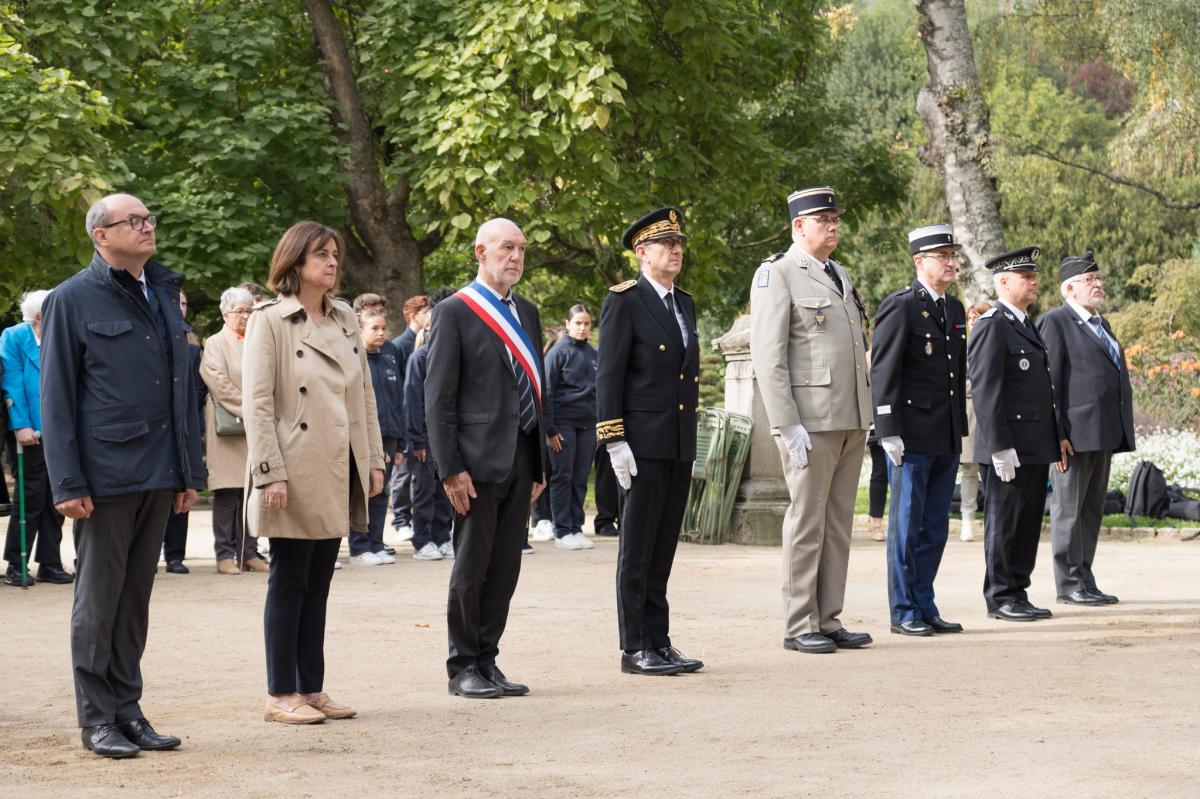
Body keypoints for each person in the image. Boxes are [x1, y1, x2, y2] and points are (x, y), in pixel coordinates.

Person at [41, 192, 205, 757]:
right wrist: (67, 482)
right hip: (104, 476)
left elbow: (181, 390)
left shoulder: (161, 293)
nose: (146, 226)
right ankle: (96, 718)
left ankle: (128, 709)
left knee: (134, 599)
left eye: (149, 218)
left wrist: (188, 470)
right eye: (132, 221)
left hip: (158, 472)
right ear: (100, 235)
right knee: (99, 598)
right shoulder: (72, 299)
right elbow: (56, 396)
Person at [242, 220, 385, 723]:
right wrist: (269, 472)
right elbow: (256, 402)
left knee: (320, 579)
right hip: (292, 465)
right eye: (321, 254)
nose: (331, 262)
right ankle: (281, 693)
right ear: (295, 260)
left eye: (335, 254)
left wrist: (372, 460)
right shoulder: (269, 320)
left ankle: (311, 685)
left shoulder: (346, 317)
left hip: (338, 461)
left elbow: (363, 395)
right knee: (289, 579)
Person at [748, 186, 873, 655]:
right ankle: (800, 622)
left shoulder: (839, 273)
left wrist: (868, 409)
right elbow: (768, 356)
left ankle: (829, 617)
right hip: (811, 422)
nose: (833, 226)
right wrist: (786, 423)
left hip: (850, 417)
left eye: (835, 218)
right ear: (799, 226)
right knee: (807, 522)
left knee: (838, 522)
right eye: (823, 219)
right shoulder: (777, 275)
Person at [426, 217, 548, 699]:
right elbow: (439, 398)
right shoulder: (456, 311)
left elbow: (540, 390)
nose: (515, 257)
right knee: (471, 567)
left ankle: (488, 658)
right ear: (480, 252)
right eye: (505, 248)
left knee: (505, 567)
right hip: (474, 464)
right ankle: (462, 666)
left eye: (520, 249)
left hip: (520, 455)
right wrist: (450, 468)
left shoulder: (530, 313)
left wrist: (540, 463)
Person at [596, 207, 703, 677]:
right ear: (642, 253)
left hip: (676, 441)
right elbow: (609, 376)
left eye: (679, 243)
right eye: (666, 244)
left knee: (663, 548)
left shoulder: (685, 304)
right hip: (639, 443)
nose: (676, 251)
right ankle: (635, 646)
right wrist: (614, 439)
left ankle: (659, 640)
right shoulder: (625, 301)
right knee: (636, 549)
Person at [870, 224, 968, 637]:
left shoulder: (954, 309)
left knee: (935, 526)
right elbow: (883, 369)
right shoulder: (902, 306)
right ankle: (904, 609)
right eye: (941, 256)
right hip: (910, 434)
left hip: (944, 431)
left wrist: (958, 427)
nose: (949, 262)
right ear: (919, 262)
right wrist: (887, 428)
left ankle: (925, 603)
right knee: (906, 526)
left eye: (952, 255)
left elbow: (955, 374)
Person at [968, 246, 1065, 622]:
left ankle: (1018, 590)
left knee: (1026, 523)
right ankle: (1000, 595)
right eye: (1026, 277)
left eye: (1034, 276)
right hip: (1009, 445)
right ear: (1004, 282)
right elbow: (987, 389)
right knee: (1005, 521)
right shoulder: (994, 324)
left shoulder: (1025, 324)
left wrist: (1053, 438)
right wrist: (998, 445)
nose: (1034, 281)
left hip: (1034, 443)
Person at [1037, 251, 1134, 606]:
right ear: (1070, 288)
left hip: (1103, 432)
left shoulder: (1101, 323)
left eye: (1099, 279)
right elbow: (1050, 384)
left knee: (1091, 510)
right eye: (1090, 280)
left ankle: (1085, 577)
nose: (1098, 284)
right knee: (1069, 510)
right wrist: (1055, 434)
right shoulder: (1056, 322)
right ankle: (1068, 583)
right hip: (1073, 436)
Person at [2, 289, 72, 587]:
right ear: (40, 315)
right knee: (30, 497)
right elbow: (12, 381)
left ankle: (50, 562)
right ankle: (17, 563)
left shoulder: (62, 335)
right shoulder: (15, 336)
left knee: (59, 497)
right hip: (30, 429)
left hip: (62, 429)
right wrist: (21, 424)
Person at [200, 286, 265, 574]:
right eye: (240, 311)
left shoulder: (260, 342)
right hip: (229, 427)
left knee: (254, 492)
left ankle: (249, 552)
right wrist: (251, 408)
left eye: (250, 310)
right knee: (228, 493)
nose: (246, 316)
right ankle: (225, 554)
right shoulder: (214, 343)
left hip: (257, 427)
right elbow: (217, 381)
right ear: (225, 313)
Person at [348, 307, 403, 565]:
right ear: (360, 331)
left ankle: (376, 542)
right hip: (363, 435)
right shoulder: (351, 357)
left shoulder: (392, 353)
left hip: (389, 436)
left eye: (383, 328)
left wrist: (401, 440)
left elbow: (398, 398)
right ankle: (359, 546)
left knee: (381, 490)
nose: (381, 333)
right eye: (375, 328)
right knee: (360, 491)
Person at [404, 289, 455, 561]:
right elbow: (412, 402)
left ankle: (442, 535)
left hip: (448, 436)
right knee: (424, 489)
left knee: (445, 487)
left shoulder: (453, 358)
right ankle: (422, 539)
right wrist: (417, 440)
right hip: (425, 437)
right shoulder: (419, 359)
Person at [544, 305, 598, 551]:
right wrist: (550, 429)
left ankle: (577, 528)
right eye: (578, 323)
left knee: (580, 477)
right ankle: (562, 530)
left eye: (586, 323)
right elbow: (546, 391)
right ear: (567, 324)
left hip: (588, 425)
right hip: (563, 423)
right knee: (562, 476)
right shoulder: (557, 352)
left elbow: (600, 391)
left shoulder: (594, 354)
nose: (582, 328)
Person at [161, 289, 205, 574]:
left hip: (184, 424)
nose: (181, 307)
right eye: (175, 302)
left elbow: (198, 388)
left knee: (182, 486)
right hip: (156, 425)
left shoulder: (192, 344)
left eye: (185, 303)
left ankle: (176, 555)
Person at [390, 294, 429, 541]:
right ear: (414, 316)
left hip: (421, 416)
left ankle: (413, 517)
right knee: (403, 473)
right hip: (404, 415)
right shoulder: (401, 345)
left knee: (423, 476)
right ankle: (400, 519)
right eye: (426, 312)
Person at [958, 301, 992, 542]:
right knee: (969, 468)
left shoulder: (994, 342)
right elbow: (959, 380)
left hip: (992, 411)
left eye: (977, 317)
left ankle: (993, 517)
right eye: (970, 318)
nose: (973, 321)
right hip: (971, 411)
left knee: (993, 469)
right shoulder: (963, 345)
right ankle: (967, 518)